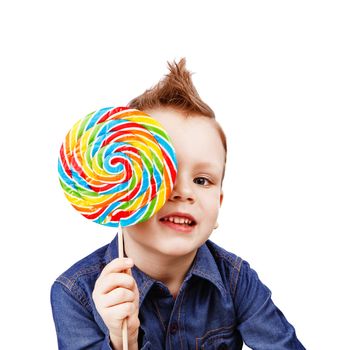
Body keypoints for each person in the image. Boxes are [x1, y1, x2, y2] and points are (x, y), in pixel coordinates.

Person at [51, 58, 306, 349]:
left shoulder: (237, 280)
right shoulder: (74, 292)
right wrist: (123, 341)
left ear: (219, 205)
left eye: (202, 180)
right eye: (162, 173)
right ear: (122, 191)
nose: (184, 192)